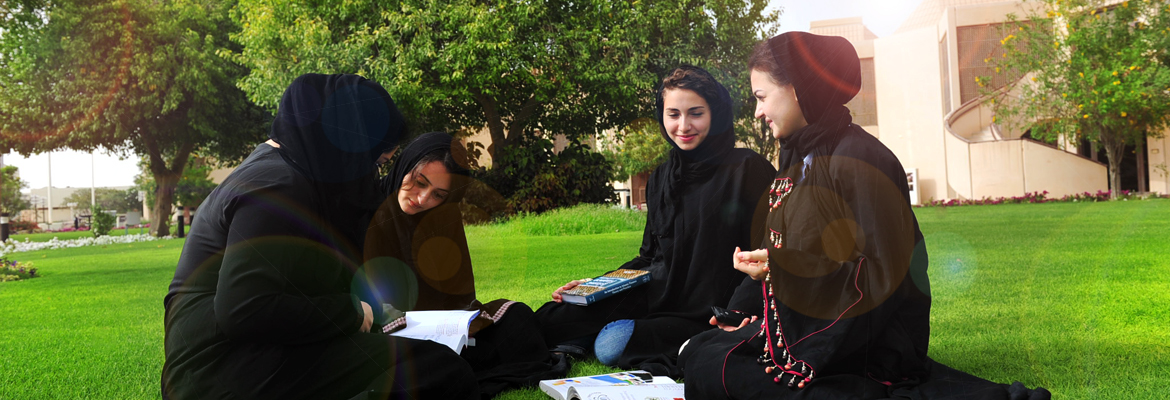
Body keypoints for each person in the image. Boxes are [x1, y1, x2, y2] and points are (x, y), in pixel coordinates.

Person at [678, 32, 1049, 399]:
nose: (758, 112)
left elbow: (881, 277)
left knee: (726, 371)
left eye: (762, 97)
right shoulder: (795, 155)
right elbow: (776, 247)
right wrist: (741, 312)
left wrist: (784, 272)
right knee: (700, 352)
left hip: (868, 338)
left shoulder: (863, 160)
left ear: (799, 89)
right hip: (804, 322)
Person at [161, 74, 477, 400]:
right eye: (374, 161)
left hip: (246, 358)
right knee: (439, 369)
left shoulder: (283, 171)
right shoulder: (277, 184)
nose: (371, 174)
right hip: (220, 370)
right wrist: (350, 312)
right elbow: (242, 309)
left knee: (435, 363)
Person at [534, 65, 776, 373]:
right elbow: (649, 257)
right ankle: (582, 334)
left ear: (715, 114)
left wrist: (739, 313)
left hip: (710, 310)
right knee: (551, 317)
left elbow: (766, 257)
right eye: (673, 114)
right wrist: (595, 286)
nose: (683, 126)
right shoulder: (662, 177)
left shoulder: (748, 169)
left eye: (696, 113)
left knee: (611, 345)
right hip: (656, 294)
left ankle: (588, 338)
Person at [360, 131, 568, 397]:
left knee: (518, 318)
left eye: (438, 194)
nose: (422, 199)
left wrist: (463, 324)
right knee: (428, 362)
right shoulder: (364, 211)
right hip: (388, 335)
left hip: (443, 333)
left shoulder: (442, 218)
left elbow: (460, 293)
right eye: (419, 182)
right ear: (406, 164)